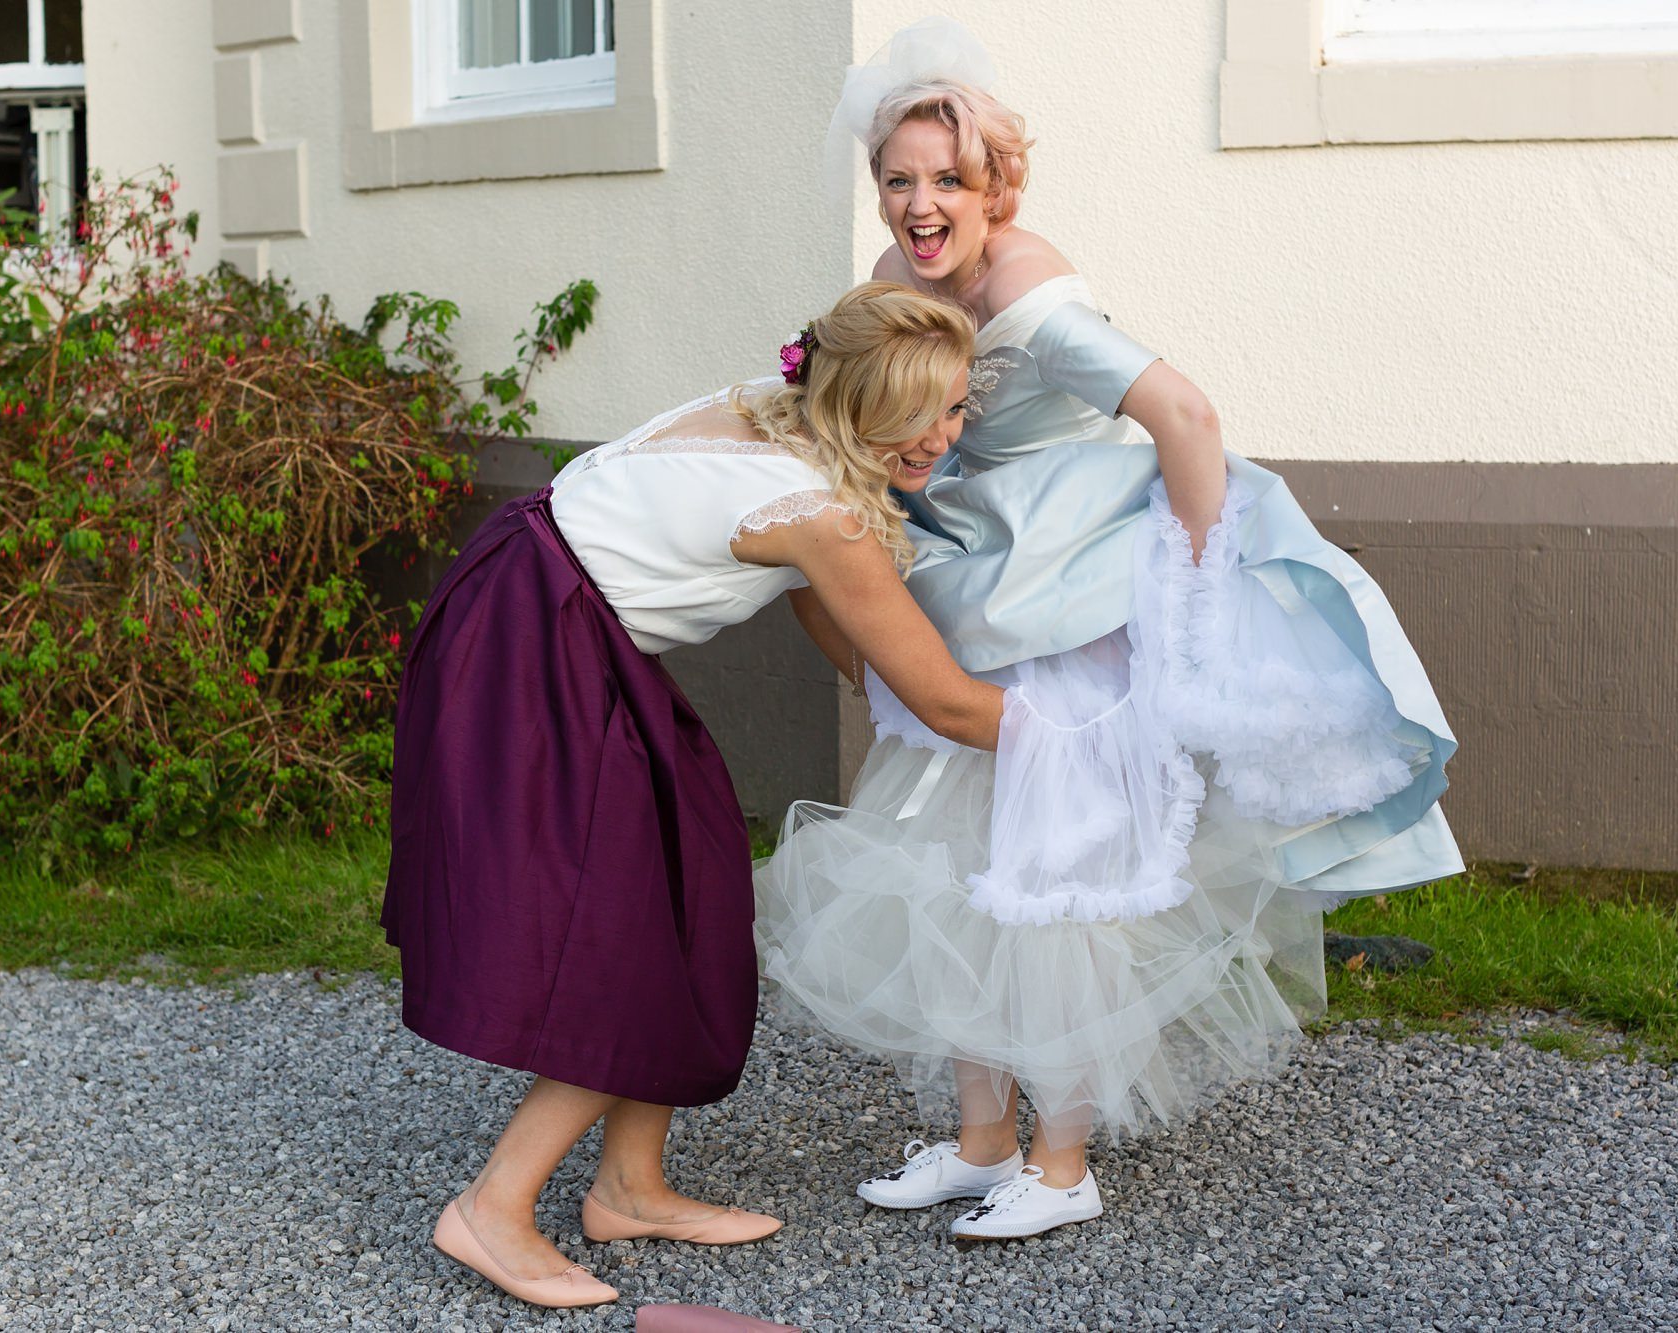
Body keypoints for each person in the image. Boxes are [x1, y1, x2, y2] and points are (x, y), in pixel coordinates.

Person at [755, 18, 1462, 1243]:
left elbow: (1183, 416)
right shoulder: (893, 277)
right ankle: (981, 1143)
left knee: (1054, 881)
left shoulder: (1026, 288)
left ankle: (1062, 1159)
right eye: (898, 179)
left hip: (1066, 602)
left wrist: (1185, 623)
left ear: (996, 185)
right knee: (947, 867)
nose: (920, 205)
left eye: (945, 180)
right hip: (968, 598)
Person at [381, 282, 1014, 1308]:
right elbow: (946, 698)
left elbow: (823, 600)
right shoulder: (817, 512)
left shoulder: (787, 408)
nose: (937, 437)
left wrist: (867, 680)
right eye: (914, 415)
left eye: (951, 407)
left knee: (699, 881)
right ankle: (490, 1207)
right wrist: (1104, 742)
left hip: (535, 607)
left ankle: (630, 1184)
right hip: (534, 650)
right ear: (855, 405)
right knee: (629, 936)